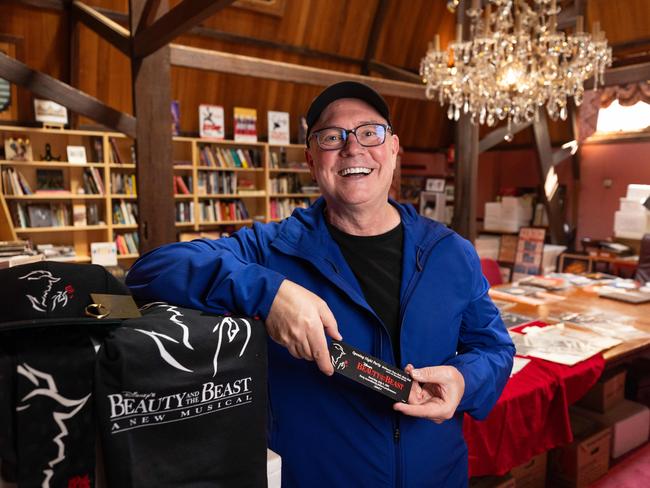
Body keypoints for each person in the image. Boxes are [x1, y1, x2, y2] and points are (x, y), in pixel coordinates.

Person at [126, 81, 515, 487]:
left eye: (370, 132)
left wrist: (465, 381)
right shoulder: (271, 248)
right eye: (332, 137)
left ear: (394, 148)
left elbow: (494, 347)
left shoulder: (451, 252)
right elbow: (152, 269)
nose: (353, 148)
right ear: (312, 161)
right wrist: (269, 292)